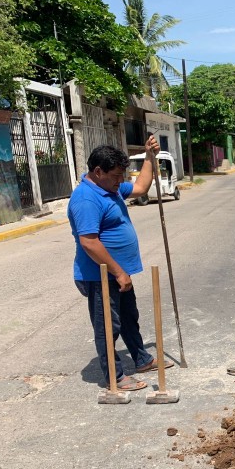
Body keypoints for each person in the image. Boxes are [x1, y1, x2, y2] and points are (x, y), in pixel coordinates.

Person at [67, 138, 173, 392]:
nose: (120, 181)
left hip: (119, 273)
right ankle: (114, 376)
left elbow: (140, 188)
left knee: (128, 317)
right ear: (98, 172)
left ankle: (142, 359)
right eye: (116, 176)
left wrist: (149, 156)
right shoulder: (86, 199)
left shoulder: (110, 188)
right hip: (100, 275)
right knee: (108, 326)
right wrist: (117, 272)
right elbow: (89, 242)